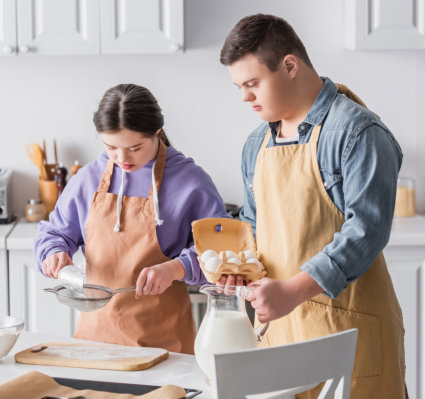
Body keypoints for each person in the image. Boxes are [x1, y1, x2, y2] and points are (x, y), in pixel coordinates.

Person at [219, 14, 406, 398]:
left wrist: (291, 292)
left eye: (253, 84)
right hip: (281, 337)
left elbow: (366, 232)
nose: (244, 97)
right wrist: (242, 268)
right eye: (239, 87)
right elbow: (253, 230)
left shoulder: (357, 132)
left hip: (350, 337)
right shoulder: (256, 145)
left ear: (289, 66)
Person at [34, 83, 228, 354]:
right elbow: (55, 233)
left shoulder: (191, 182)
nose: (122, 158)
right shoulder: (88, 179)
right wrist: (53, 251)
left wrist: (175, 269)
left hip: (165, 346)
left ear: (157, 133)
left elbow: (222, 251)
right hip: (94, 343)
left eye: (135, 148)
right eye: (111, 147)